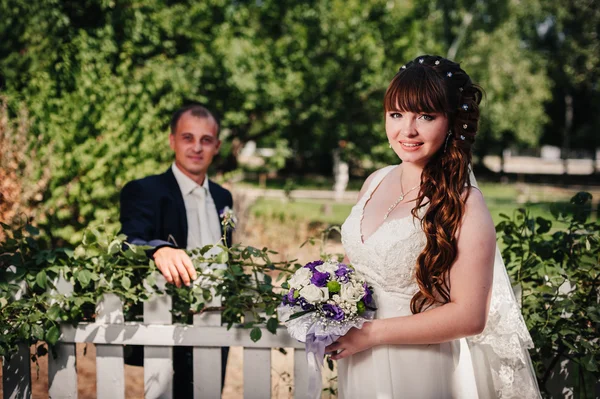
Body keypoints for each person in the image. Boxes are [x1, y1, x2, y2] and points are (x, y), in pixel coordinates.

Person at [327, 55, 540, 398]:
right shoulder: (374, 181)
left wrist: (371, 333)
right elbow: (361, 268)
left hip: (421, 364)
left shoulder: (465, 202)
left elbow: (471, 316)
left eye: (425, 116)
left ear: (452, 122)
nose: (407, 130)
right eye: (396, 114)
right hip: (360, 358)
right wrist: (325, 299)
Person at [119, 103, 232, 398]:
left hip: (218, 318)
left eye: (206, 140)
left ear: (216, 146)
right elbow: (130, 239)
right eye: (187, 137)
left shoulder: (223, 196)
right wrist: (159, 249)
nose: (197, 147)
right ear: (172, 140)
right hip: (169, 321)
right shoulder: (145, 190)